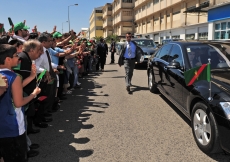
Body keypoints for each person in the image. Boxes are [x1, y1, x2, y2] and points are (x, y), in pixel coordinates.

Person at [0, 44, 41, 162]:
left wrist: (32, 76)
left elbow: (14, 89)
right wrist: (33, 94)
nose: (18, 57)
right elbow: (18, 103)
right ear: (8, 59)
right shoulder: (14, 76)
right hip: (13, 127)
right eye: (15, 55)